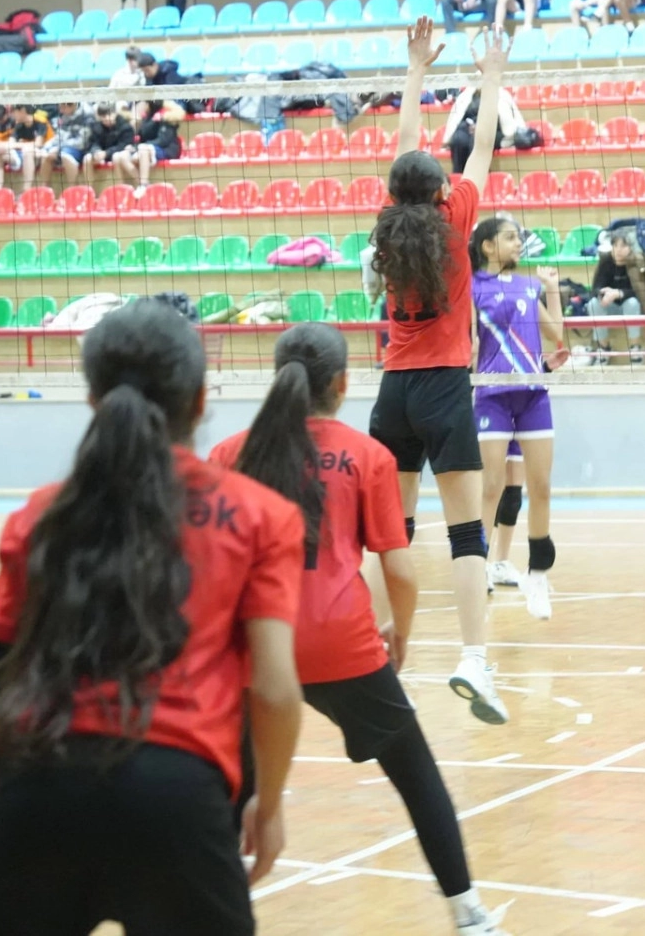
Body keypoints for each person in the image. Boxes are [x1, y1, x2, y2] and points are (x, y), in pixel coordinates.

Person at [0, 303, 302, 935]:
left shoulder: (40, 514)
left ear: (93, 400)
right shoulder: (260, 516)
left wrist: (3, 811)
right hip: (176, 799)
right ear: (201, 400)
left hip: (38, 781)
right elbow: (275, 689)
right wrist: (269, 800)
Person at [209, 323, 511, 936]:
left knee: (229, 786)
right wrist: (399, 632)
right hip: (340, 642)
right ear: (343, 385)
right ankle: (469, 916)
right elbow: (398, 569)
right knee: (417, 777)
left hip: (254, 645)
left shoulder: (228, 454)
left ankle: (205, 914)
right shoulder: (367, 456)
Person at [366, 16, 511, 726]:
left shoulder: (387, 226)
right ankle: (474, 658)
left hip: (393, 391)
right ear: (440, 189)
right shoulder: (457, 218)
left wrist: (416, 70)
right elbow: (481, 146)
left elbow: (404, 150)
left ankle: (371, 652)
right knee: (464, 535)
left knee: (389, 533)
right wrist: (491, 76)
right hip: (445, 387)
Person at [468, 216, 567, 622]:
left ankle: (538, 576)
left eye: (518, 238)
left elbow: (556, 332)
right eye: (510, 237)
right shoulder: (471, 287)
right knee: (491, 487)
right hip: (491, 395)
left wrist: (552, 288)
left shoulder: (528, 285)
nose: (518, 243)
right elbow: (469, 343)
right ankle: (478, 568)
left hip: (532, 394)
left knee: (540, 486)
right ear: (488, 246)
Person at [589, 227, 645, 363]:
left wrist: (619, 293)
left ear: (631, 247)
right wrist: (603, 294)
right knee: (593, 303)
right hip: (610, 307)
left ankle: (635, 348)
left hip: (633, 308)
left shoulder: (639, 261)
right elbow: (595, 288)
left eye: (623, 246)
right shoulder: (605, 260)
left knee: (632, 303)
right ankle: (603, 348)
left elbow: (642, 292)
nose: (618, 250)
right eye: (615, 245)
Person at [81, 102, 136, 188]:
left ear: (115, 113)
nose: (107, 118)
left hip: (118, 154)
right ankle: (89, 190)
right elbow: (92, 143)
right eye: (103, 116)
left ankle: (121, 187)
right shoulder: (97, 127)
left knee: (116, 157)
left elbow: (124, 145)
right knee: (87, 158)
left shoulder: (125, 126)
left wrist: (107, 153)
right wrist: (96, 151)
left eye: (109, 115)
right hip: (102, 155)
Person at [40, 100, 95, 185]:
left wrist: (59, 149)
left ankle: (73, 188)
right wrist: (45, 148)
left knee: (65, 155)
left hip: (84, 149)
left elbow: (82, 142)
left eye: (62, 108)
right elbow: (59, 135)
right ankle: (45, 188)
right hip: (66, 146)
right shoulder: (64, 114)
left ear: (72, 105)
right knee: (46, 155)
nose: (61, 110)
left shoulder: (87, 114)